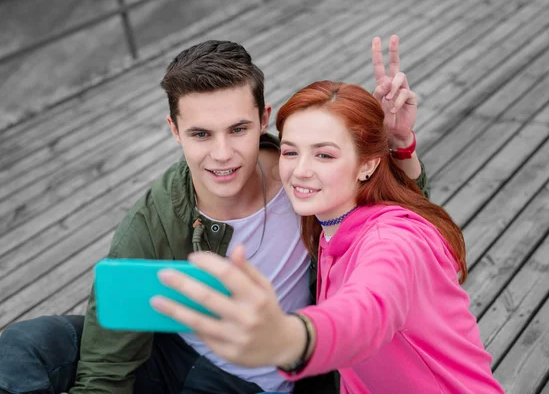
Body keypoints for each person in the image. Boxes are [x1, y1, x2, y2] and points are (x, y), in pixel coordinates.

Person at [0, 37, 429, 394]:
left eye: (238, 130)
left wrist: (397, 144)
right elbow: (106, 362)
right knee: (25, 344)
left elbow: (396, 221)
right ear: (174, 130)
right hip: (172, 357)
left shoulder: (304, 176)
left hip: (263, 380)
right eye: (201, 134)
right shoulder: (157, 214)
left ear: (263, 119)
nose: (222, 155)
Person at [151, 81, 505, 393]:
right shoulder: (329, 224)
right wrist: (403, 147)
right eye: (291, 151)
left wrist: (289, 340)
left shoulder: (393, 240)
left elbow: (366, 312)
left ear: (368, 164)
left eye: (324, 154)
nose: (301, 170)